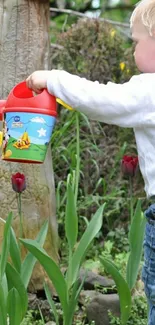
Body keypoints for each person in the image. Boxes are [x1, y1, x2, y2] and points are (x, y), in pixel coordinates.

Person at [26, 0, 155, 323]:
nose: (131, 49)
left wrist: (52, 79)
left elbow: (103, 100)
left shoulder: (150, 90)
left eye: (136, 41)